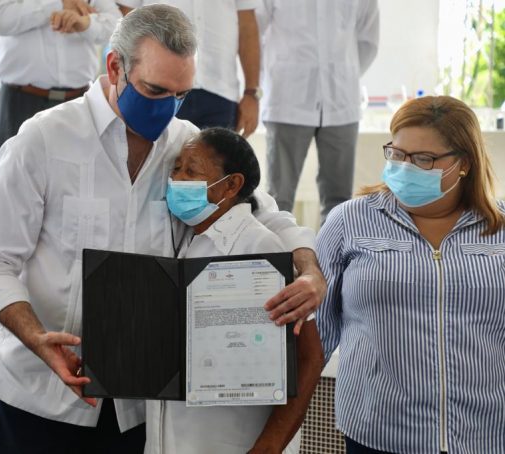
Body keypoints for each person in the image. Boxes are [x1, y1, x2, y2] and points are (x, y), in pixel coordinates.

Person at [0, 5, 325, 453]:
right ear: (115, 66)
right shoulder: (42, 141)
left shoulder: (185, 144)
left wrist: (309, 270)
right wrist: (37, 338)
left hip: (137, 407)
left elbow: (264, 213)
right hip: (38, 395)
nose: (166, 108)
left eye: (180, 95)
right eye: (155, 91)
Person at [316, 96, 505, 453]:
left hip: (486, 434)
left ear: (463, 164)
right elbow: (316, 333)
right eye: (397, 154)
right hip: (379, 432)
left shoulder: (500, 228)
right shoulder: (350, 221)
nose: (405, 168)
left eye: (422, 159)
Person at [146, 127, 324, 454]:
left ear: (231, 185)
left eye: (192, 171)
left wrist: (270, 444)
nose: (177, 179)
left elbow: (309, 356)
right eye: (176, 169)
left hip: (237, 440)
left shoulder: (261, 247)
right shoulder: (182, 239)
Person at [257, 0, 379, 222]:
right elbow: (253, 31)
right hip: (287, 101)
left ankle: (333, 245)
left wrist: (344, 74)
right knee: (278, 199)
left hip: (341, 103)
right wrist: (270, 79)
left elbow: (368, 41)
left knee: (339, 201)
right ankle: (278, 245)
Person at [0, 0, 121, 158]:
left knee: (81, 172)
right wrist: (58, 4)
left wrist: (87, 24)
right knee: (13, 170)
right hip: (21, 101)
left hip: (78, 101)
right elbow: (2, 20)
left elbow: (117, 26)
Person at [117, 1, 261, 137]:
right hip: (158, 90)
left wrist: (251, 93)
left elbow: (247, 26)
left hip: (221, 92)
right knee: (153, 155)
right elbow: (126, 20)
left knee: (219, 155)